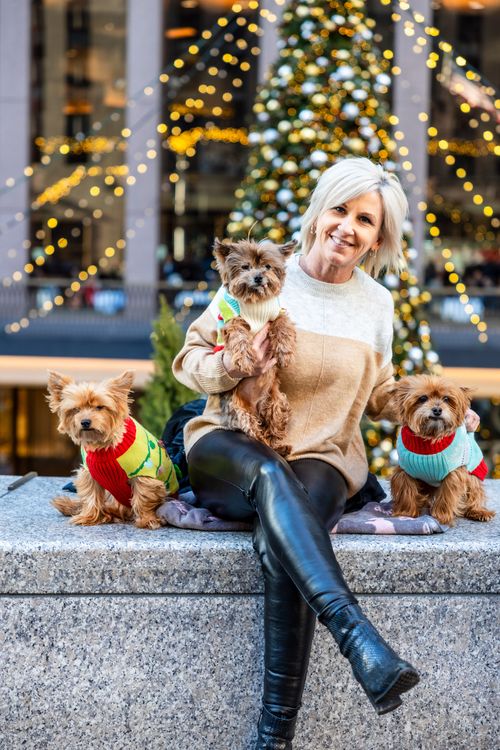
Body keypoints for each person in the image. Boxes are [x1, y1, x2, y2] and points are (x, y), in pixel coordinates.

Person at [172, 157, 478, 749]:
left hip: (323, 456)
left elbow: (385, 392)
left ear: (378, 237)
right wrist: (234, 363)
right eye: (340, 209)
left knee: (284, 530)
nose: (348, 227)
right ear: (319, 214)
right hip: (229, 446)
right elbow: (189, 362)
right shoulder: (262, 279)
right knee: (266, 474)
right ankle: (357, 632)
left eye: (366, 220)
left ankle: (273, 736)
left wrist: (444, 404)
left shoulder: (377, 304)